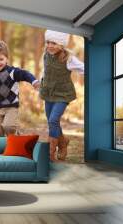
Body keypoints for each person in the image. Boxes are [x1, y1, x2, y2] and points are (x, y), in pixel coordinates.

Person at [39, 30, 84, 161]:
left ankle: (51, 153)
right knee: (52, 122)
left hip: (63, 94)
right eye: (48, 42)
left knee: (53, 120)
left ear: (62, 44)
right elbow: (46, 72)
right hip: (48, 93)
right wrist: (40, 84)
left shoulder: (68, 58)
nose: (50, 45)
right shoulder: (46, 55)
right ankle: (63, 142)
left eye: (54, 43)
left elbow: (84, 68)